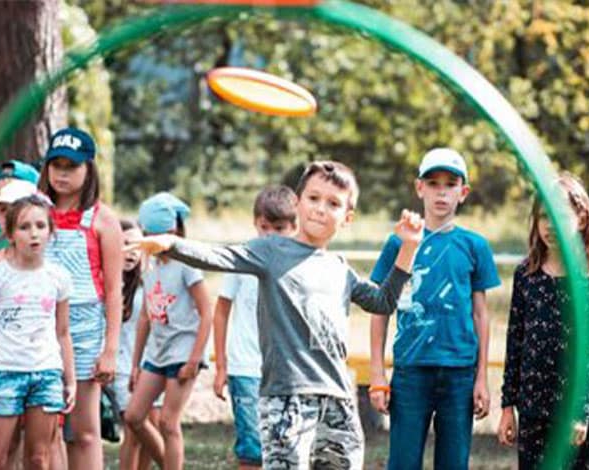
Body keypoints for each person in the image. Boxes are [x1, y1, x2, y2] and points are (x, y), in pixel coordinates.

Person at [126, 161, 424, 469]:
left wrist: (408, 248)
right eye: (313, 198)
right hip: (286, 398)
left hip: (337, 397)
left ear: (347, 218)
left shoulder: (339, 268)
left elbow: (383, 301)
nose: (321, 209)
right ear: (297, 203)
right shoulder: (270, 251)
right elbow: (220, 256)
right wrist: (171, 243)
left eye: (333, 203)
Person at [368, 148, 501, 469]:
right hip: (411, 370)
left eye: (451, 184)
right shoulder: (400, 242)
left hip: (459, 372)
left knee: (454, 462)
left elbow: (481, 314)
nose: (441, 192)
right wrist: (377, 374)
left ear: (463, 192)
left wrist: (481, 377)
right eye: (433, 183)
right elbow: (379, 309)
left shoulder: (475, 246)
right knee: (402, 462)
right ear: (419, 188)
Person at [498, 172, 589, 469]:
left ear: (583, 220)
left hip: (578, 412)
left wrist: (582, 411)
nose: (550, 225)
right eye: (543, 216)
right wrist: (508, 405)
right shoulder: (526, 275)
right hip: (533, 408)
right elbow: (515, 340)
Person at [38, 127, 123, 469]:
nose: (61, 173)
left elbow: (114, 288)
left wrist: (110, 349)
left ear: (88, 168)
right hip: (40, 324)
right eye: (55, 164)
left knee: (84, 431)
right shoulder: (35, 213)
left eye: (71, 166)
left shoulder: (103, 220)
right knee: (46, 429)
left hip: (86, 329)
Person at [0, 195, 76, 469]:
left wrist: (70, 380)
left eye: (41, 226)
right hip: (4, 373)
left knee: (38, 458)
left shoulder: (59, 278)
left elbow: (63, 332)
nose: (34, 234)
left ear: (50, 231)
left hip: (46, 375)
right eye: (24, 227)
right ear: (9, 234)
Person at [122, 192, 213, 470]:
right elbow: (146, 318)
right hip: (157, 354)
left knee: (168, 422)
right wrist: (135, 365)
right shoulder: (149, 264)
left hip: (184, 352)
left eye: (152, 236)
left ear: (171, 233)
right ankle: (166, 462)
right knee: (134, 416)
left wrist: (194, 358)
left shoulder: (186, 265)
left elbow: (207, 312)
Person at [212, 185, 297, 470]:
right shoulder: (242, 258)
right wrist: (221, 365)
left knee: (286, 446)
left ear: (294, 227)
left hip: (286, 372)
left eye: (279, 228)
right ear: (255, 224)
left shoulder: (300, 262)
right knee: (251, 449)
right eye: (264, 227)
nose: (270, 235)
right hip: (245, 368)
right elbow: (221, 310)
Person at [114, 219, 162, 470]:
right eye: (124, 244)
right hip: (120, 367)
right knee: (135, 430)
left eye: (135, 245)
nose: (131, 251)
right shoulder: (108, 283)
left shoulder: (148, 282)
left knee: (147, 429)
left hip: (147, 364)